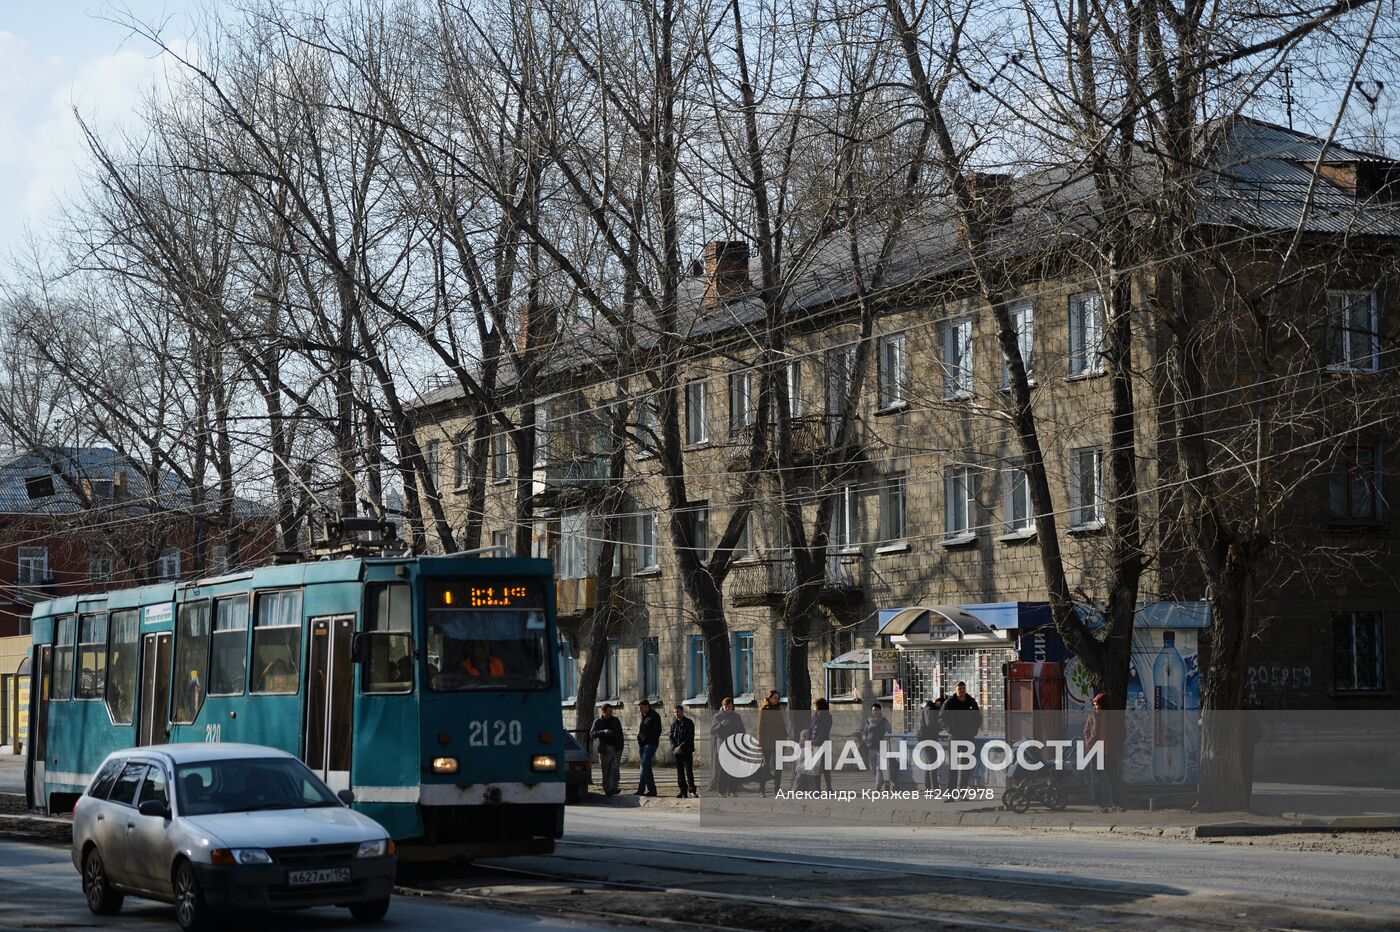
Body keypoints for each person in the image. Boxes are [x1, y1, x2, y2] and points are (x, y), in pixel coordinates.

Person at [1084, 692, 1125, 811]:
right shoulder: (1093, 716)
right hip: (1096, 752)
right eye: (1094, 704)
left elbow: (1122, 733)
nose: (1095, 707)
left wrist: (1117, 745)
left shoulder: (1114, 717)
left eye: (1097, 704)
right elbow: (1086, 731)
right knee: (1096, 778)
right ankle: (1098, 804)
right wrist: (1089, 743)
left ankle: (1116, 803)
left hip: (1110, 752)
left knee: (1113, 778)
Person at [942, 681, 982, 792]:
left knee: (966, 766)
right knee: (953, 766)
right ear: (955, 690)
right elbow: (942, 718)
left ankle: (963, 792)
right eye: (960, 688)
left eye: (963, 688)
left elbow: (978, 718)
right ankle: (951, 793)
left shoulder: (972, 702)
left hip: (968, 738)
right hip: (954, 737)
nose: (962, 690)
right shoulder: (949, 703)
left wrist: (974, 731)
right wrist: (949, 729)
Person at [710, 697, 744, 796]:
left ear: (732, 706)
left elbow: (742, 730)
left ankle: (733, 790)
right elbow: (712, 731)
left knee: (735, 769)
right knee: (723, 770)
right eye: (726, 707)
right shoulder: (718, 717)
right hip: (723, 747)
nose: (728, 709)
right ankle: (721, 791)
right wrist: (720, 725)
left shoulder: (736, 716)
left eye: (729, 707)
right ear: (723, 706)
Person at [756, 690, 787, 796]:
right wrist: (760, 743)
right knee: (766, 766)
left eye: (778, 698)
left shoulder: (778, 709)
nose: (776, 700)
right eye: (774, 698)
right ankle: (762, 789)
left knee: (778, 767)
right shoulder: (764, 710)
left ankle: (777, 789)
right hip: (767, 742)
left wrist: (784, 739)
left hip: (779, 741)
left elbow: (782, 726)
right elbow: (760, 728)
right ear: (769, 698)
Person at [589, 703, 624, 795]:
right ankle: (607, 789)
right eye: (609, 711)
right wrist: (603, 732)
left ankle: (614, 787)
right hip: (605, 749)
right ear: (603, 711)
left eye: (611, 710)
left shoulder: (615, 720)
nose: (611, 712)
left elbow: (620, 734)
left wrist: (621, 747)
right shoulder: (598, 722)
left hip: (616, 748)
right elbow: (592, 734)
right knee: (606, 770)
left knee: (615, 769)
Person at [669, 705, 698, 798]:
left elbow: (689, 737)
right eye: (675, 712)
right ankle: (682, 791)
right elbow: (671, 737)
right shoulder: (674, 724)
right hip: (677, 752)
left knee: (689, 771)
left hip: (687, 750)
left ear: (682, 712)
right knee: (680, 772)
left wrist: (681, 747)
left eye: (678, 711)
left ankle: (692, 791)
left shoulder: (689, 722)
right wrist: (675, 747)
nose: (676, 714)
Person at [861, 703, 892, 790]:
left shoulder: (884, 721)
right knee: (873, 767)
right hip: (871, 747)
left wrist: (885, 739)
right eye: (873, 710)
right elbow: (865, 732)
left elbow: (889, 731)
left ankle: (877, 788)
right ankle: (881, 781)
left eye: (876, 710)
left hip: (881, 747)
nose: (874, 711)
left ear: (879, 710)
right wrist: (864, 738)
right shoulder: (869, 720)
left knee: (879, 768)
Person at [635, 699, 662, 796]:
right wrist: (639, 739)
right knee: (644, 766)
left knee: (644, 764)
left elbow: (657, 731)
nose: (640, 710)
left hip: (650, 744)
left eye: (641, 708)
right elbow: (642, 730)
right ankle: (642, 789)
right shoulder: (644, 716)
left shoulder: (654, 716)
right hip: (642, 744)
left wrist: (650, 741)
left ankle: (651, 789)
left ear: (647, 706)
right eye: (639, 708)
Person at [917, 698, 944, 791]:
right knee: (932, 763)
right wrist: (942, 726)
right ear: (937, 702)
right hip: (926, 738)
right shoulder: (930, 709)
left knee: (929, 764)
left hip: (927, 737)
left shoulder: (930, 708)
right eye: (941, 705)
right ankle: (934, 788)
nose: (941, 708)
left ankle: (928, 788)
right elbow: (930, 724)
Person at [808, 698, 834, 792]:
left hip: (823, 744)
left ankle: (829, 787)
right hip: (814, 745)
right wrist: (810, 742)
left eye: (816, 705)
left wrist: (816, 743)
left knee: (825, 767)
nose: (814, 707)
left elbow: (824, 731)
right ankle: (817, 788)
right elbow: (810, 729)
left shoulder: (827, 717)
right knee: (816, 768)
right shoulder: (814, 716)